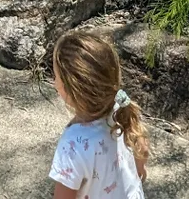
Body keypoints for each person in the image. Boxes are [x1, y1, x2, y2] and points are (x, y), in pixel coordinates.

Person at [48, 29, 149, 199]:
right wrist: (138, 173)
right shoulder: (121, 109)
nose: (53, 81)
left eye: (56, 76)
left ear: (68, 89)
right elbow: (142, 151)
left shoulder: (72, 145)